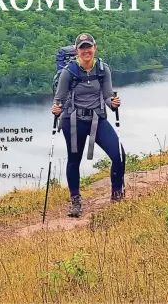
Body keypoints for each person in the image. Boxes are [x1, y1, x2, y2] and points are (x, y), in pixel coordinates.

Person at [51, 33, 126, 218]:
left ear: (95, 48)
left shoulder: (102, 69)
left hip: (97, 119)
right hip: (73, 121)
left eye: (89, 47)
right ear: (77, 51)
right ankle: (75, 201)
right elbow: (59, 99)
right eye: (82, 48)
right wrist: (56, 109)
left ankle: (117, 197)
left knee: (119, 155)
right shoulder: (69, 72)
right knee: (74, 160)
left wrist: (113, 102)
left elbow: (108, 96)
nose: (86, 51)